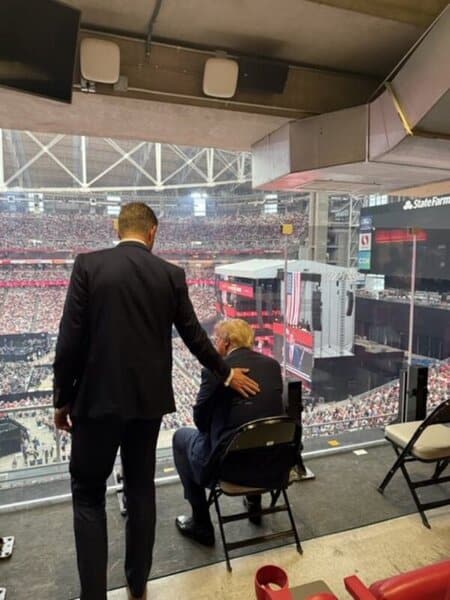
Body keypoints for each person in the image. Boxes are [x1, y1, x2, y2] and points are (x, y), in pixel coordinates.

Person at [52, 203, 259, 600]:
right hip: (146, 406)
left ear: (118, 228)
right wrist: (226, 372)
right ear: (153, 233)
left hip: (95, 405)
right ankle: (138, 585)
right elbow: (194, 335)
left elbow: (69, 341)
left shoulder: (88, 266)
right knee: (141, 490)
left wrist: (62, 400)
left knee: (89, 496)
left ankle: (93, 594)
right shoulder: (170, 274)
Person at [173, 318, 284, 546]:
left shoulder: (215, 371)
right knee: (253, 429)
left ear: (225, 342)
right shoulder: (272, 366)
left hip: (230, 467)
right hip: (272, 463)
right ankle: (254, 505)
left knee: (180, 438)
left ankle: (201, 524)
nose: (215, 345)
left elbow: (200, 422)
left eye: (216, 340)